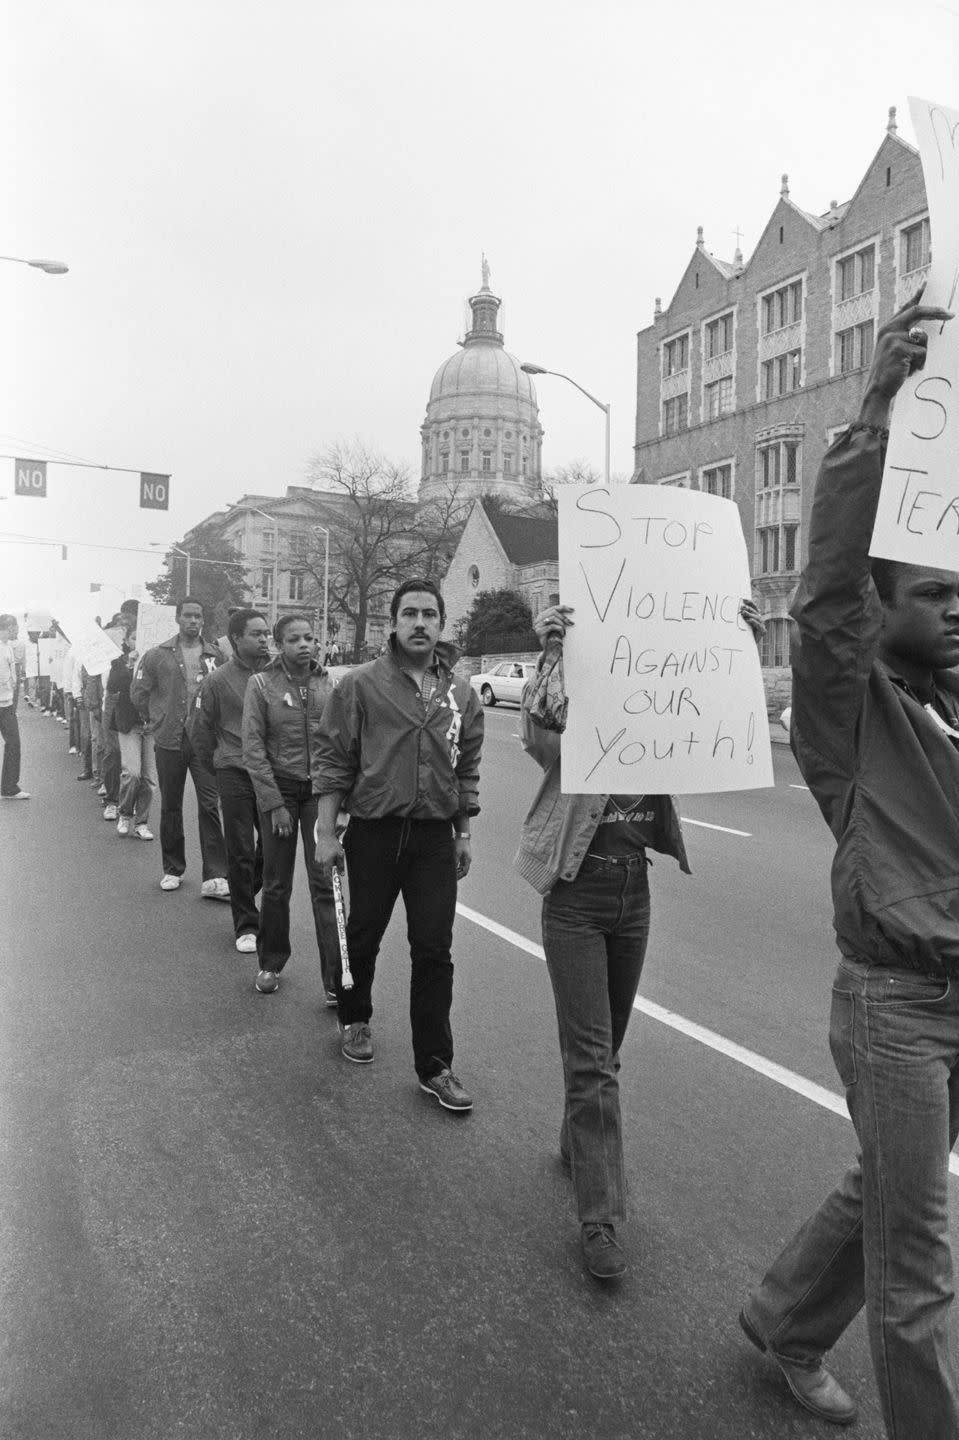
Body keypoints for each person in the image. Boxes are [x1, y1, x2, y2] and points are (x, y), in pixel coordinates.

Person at [740, 296, 959, 1436]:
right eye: (934, 595)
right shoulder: (847, 714)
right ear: (880, 617)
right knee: (919, 1256)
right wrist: (874, 410)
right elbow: (823, 590)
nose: (957, 611)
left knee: (889, 1194)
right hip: (892, 1004)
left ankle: (783, 1320)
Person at [314, 578, 483, 1111]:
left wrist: (463, 833)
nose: (419, 623)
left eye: (429, 615)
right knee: (363, 934)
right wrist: (325, 833)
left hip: (434, 837)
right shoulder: (360, 686)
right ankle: (355, 1017)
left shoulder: (460, 694)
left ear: (441, 624)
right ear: (394, 623)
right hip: (375, 831)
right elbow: (334, 759)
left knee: (434, 950)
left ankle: (436, 1065)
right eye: (409, 613)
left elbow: (467, 767)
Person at [241, 613, 339, 996]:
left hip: (318, 796)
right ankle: (270, 963)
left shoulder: (328, 683)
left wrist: (337, 804)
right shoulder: (261, 684)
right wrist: (274, 804)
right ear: (280, 645)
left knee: (325, 885)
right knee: (277, 884)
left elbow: (338, 744)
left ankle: (335, 980)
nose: (304, 645)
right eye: (294, 639)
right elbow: (253, 749)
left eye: (309, 638)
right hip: (279, 793)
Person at [131, 596, 229, 896]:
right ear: (177, 618)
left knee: (210, 805)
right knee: (171, 806)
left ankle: (215, 874)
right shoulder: (156, 655)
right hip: (169, 740)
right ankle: (173, 868)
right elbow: (139, 692)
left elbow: (227, 692)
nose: (193, 621)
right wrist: (154, 720)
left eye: (198, 616)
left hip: (205, 743)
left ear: (203, 620)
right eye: (188, 615)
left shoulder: (216, 655)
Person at [193, 609, 271, 955]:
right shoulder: (217, 680)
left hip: (270, 774)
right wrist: (219, 763)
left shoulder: (277, 675)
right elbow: (200, 731)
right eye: (256, 634)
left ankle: (242, 892)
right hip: (234, 771)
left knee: (272, 847)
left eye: (266, 633)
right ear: (236, 638)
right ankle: (246, 924)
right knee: (239, 848)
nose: (264, 639)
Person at [109, 635, 156, 840]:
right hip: (129, 724)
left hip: (152, 725)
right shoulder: (119, 661)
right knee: (132, 773)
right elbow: (112, 686)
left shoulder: (157, 659)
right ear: (127, 641)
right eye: (134, 637)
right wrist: (129, 664)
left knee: (149, 779)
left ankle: (142, 822)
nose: (138, 641)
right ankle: (125, 814)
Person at [0, 614, 29, 800]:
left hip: (6, 704)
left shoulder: (8, 646)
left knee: (14, 743)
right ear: (8, 627)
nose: (18, 629)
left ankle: (9, 787)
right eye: (15, 626)